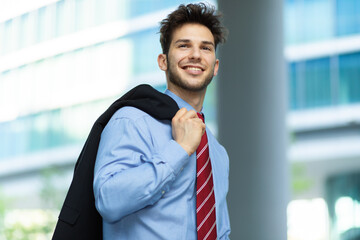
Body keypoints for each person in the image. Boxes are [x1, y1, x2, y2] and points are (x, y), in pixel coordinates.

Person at [93, 3, 230, 240]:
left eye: (205, 48)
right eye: (184, 45)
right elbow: (109, 200)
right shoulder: (132, 120)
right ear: (163, 61)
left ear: (215, 66)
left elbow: (221, 231)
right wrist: (179, 150)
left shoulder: (217, 152)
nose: (196, 54)